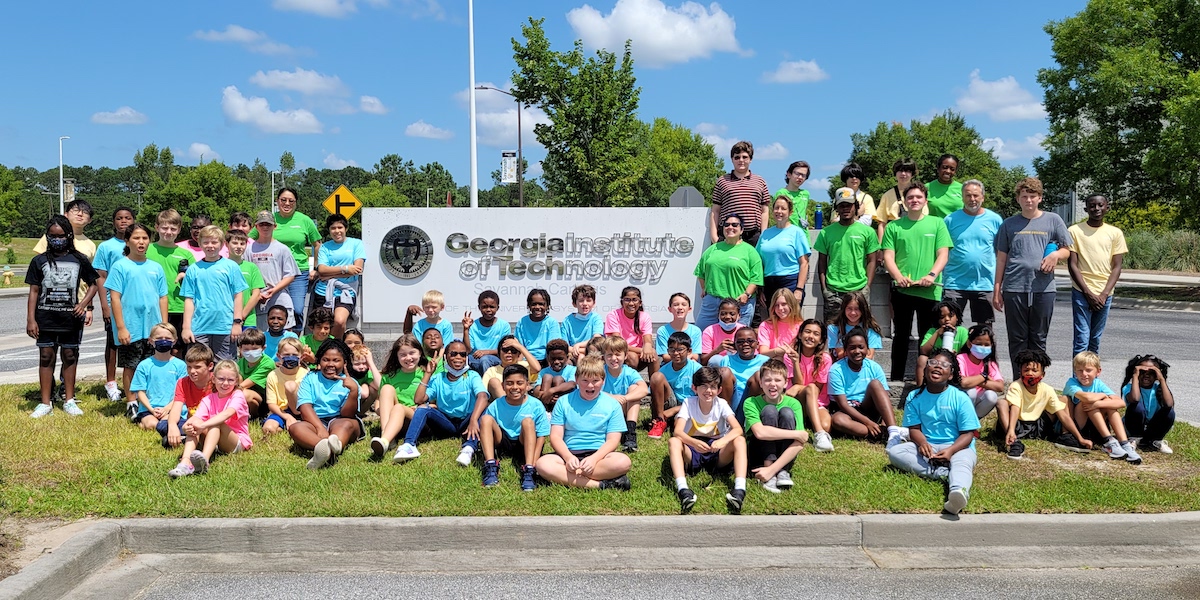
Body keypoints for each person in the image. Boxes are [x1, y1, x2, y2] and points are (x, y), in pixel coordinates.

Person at [994, 177, 1072, 378]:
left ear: (1040, 198)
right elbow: (1001, 259)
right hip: (1014, 287)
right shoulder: (1008, 224)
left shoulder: (1053, 220)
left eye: (1032, 196)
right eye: (1024, 196)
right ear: (1018, 199)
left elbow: (1067, 250)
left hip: (1043, 288)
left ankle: (1036, 380)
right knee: (1017, 338)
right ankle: (1018, 381)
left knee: (1038, 337)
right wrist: (997, 289)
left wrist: (1055, 255)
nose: (1028, 200)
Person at [886, 349, 979, 515]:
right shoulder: (914, 396)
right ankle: (941, 473)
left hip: (958, 446)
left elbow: (968, 434)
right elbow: (914, 429)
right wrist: (922, 444)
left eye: (944, 365)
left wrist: (950, 451)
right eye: (933, 363)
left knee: (962, 463)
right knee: (895, 452)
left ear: (951, 375)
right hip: (929, 446)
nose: (937, 367)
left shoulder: (960, 398)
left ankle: (958, 492)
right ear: (925, 368)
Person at [26, 215, 99, 418]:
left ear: (68, 236)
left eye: (61, 236)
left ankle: (69, 399)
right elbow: (33, 291)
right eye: (52, 236)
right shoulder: (39, 261)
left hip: (70, 318)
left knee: (69, 355)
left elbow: (93, 283)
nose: (56, 240)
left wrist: (83, 304)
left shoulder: (78, 259)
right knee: (46, 356)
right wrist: (31, 319)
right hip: (45, 317)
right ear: (47, 237)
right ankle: (45, 402)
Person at [882, 181, 953, 382]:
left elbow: (943, 255)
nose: (914, 201)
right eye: (910, 197)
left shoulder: (937, 223)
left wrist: (931, 276)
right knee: (900, 337)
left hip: (930, 292)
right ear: (904, 202)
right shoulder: (894, 226)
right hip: (902, 291)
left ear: (925, 200)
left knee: (927, 337)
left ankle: (927, 381)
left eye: (918, 197)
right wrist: (898, 277)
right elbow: (888, 256)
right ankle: (895, 380)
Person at [535, 356, 632, 490]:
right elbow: (556, 437)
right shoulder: (563, 402)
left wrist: (594, 459)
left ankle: (570, 477)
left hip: (600, 455)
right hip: (569, 453)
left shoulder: (612, 405)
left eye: (595, 381)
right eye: (585, 380)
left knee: (623, 462)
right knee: (543, 464)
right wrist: (568, 458)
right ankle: (601, 484)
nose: (590, 385)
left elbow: (613, 441)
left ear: (603, 381)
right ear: (576, 380)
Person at [105, 222, 168, 418]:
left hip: (153, 327)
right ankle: (131, 402)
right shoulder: (120, 266)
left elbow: (162, 297)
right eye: (136, 238)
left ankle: (147, 401)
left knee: (152, 364)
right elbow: (114, 297)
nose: (141, 242)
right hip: (130, 326)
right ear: (127, 241)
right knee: (131, 365)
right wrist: (121, 327)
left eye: (144, 238)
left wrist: (164, 326)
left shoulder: (156, 267)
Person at [669, 365, 748, 513]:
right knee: (674, 442)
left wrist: (722, 441)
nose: (708, 391)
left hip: (717, 450)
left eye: (712, 387)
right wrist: (693, 442)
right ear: (694, 388)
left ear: (719, 390)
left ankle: (739, 489)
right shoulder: (688, 402)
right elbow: (678, 432)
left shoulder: (722, 404)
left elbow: (738, 429)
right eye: (703, 386)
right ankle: (683, 490)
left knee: (739, 441)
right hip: (693, 449)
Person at [399, 340, 489, 466]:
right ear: (446, 357)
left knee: (485, 411)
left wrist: (473, 420)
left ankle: (468, 448)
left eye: (462, 354)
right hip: (446, 423)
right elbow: (419, 400)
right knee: (423, 408)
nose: (459, 358)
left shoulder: (472, 375)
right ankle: (409, 445)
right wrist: (428, 373)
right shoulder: (438, 378)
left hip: (467, 423)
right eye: (454, 354)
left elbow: (483, 396)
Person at [1001, 348, 1093, 459]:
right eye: (1026, 370)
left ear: (1042, 374)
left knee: (1063, 400)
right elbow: (1015, 408)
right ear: (1020, 372)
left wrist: (1079, 438)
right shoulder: (1016, 386)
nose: (1030, 374)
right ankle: (1014, 441)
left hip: (1037, 428)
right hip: (1017, 425)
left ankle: (1066, 438)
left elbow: (1062, 415)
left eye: (1034, 371)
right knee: (1001, 403)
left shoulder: (1047, 389)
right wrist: (1011, 429)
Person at [251, 188, 320, 333]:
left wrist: (314, 267)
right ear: (277, 201)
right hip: (272, 270)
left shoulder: (304, 220)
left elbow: (317, 244)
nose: (287, 203)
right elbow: (249, 239)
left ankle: (293, 341)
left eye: (291, 201)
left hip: (298, 272)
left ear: (296, 203)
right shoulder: (269, 219)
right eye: (283, 200)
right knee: (270, 310)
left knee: (297, 309)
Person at [1067, 194, 1126, 355]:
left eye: (1100, 205)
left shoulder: (1115, 233)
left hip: (1105, 293)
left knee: (1095, 339)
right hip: (1081, 291)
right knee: (1081, 339)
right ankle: (1076, 379)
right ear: (1086, 209)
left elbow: (1117, 266)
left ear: (1107, 207)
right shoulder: (1074, 231)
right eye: (1092, 206)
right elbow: (1072, 264)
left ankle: (1091, 378)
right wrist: (1087, 292)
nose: (1096, 209)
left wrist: (1104, 294)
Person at [172, 359, 253, 476]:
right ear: (214, 379)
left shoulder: (238, 395)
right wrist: (186, 428)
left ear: (236, 381)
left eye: (230, 380)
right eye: (221, 379)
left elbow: (227, 414)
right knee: (194, 424)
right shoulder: (208, 399)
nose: (225, 383)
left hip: (236, 441)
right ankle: (184, 462)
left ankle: (204, 460)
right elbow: (195, 418)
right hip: (215, 439)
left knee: (215, 422)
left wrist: (203, 425)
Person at [179, 225, 248, 361]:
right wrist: (186, 327)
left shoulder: (231, 266)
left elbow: (238, 295)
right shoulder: (193, 269)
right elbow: (189, 300)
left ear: (222, 244)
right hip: (199, 327)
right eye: (206, 242)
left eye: (214, 242)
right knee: (200, 366)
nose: (210, 246)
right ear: (200, 244)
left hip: (225, 327)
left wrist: (237, 323)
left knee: (225, 367)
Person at [291, 339, 362, 469]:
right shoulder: (310, 378)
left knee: (345, 424)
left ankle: (334, 444)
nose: (330, 364)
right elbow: (305, 406)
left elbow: (348, 414)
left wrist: (353, 391)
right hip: (315, 420)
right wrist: (319, 428)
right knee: (295, 428)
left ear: (345, 363)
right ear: (319, 361)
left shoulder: (352, 383)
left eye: (336, 360)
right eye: (325, 360)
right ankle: (323, 448)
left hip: (340, 419)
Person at [741, 359, 807, 494]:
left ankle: (782, 470)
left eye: (777, 380)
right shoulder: (751, 402)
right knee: (769, 411)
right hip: (758, 451)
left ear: (785, 383)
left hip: (784, 453)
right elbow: (760, 433)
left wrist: (774, 469)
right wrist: (796, 434)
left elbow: (799, 443)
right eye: (767, 380)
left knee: (787, 412)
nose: (772, 384)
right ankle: (767, 467)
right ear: (760, 382)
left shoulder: (794, 403)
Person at [942, 180, 1003, 325]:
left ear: (983, 197)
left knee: (984, 329)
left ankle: (982, 349)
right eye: (968, 195)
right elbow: (942, 250)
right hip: (954, 283)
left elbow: (1001, 254)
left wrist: (999, 285)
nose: (972, 199)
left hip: (985, 283)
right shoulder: (950, 220)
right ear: (962, 197)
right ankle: (948, 349)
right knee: (949, 325)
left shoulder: (995, 220)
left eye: (976, 195)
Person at [480, 365, 550, 491]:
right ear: (503, 386)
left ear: (528, 385)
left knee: (528, 422)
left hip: (525, 442)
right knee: (485, 419)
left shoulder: (536, 405)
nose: (515, 387)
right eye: (510, 383)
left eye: (520, 383)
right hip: (502, 440)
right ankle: (490, 466)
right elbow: (487, 429)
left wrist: (534, 462)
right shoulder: (496, 404)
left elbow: (541, 437)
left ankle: (528, 470)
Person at [1063, 351, 1142, 463]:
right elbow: (1087, 398)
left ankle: (1124, 444)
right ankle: (1109, 441)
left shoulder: (1098, 384)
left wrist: (1099, 403)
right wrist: (1102, 396)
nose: (1084, 374)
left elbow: (1121, 403)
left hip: (1097, 428)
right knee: (1087, 402)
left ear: (1098, 371)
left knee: (1109, 405)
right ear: (1075, 371)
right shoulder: (1072, 382)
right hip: (1079, 428)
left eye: (1088, 370)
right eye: (1080, 370)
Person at [92, 206, 136, 402]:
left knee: (137, 342)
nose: (123, 221)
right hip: (114, 301)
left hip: (136, 303)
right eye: (119, 218)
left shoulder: (140, 243)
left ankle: (136, 381)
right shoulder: (106, 247)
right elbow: (101, 277)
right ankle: (111, 383)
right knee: (113, 343)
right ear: (113, 222)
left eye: (127, 218)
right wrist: (105, 304)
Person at [814, 189, 878, 321]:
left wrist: (867, 287)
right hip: (834, 292)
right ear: (836, 208)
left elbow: (872, 260)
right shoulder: (826, 232)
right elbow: (821, 263)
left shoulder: (868, 232)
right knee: (832, 334)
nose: (845, 209)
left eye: (849, 205)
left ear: (856, 206)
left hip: (859, 290)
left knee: (859, 334)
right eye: (842, 206)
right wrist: (825, 290)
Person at [827, 328, 900, 442]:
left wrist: (885, 422)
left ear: (867, 349)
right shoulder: (836, 370)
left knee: (875, 384)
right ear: (845, 350)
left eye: (861, 347)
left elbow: (884, 399)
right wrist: (868, 423)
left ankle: (893, 431)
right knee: (837, 420)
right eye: (852, 348)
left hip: (868, 407)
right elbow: (843, 405)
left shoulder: (874, 367)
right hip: (848, 411)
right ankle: (880, 434)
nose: (857, 351)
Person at [695, 213, 764, 330]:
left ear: (741, 230)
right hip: (712, 302)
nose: (730, 227)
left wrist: (746, 294)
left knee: (737, 340)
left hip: (739, 303)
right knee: (702, 334)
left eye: (735, 225)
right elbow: (700, 272)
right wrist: (704, 288)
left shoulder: (750, 251)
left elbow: (756, 279)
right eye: (726, 225)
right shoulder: (712, 249)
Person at [755, 194, 811, 325]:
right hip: (769, 283)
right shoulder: (765, 234)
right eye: (776, 208)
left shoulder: (797, 232)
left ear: (790, 212)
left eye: (783, 208)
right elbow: (759, 263)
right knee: (772, 322)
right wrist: (760, 289)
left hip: (790, 281)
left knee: (790, 322)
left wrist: (799, 289)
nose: (779, 211)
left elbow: (804, 263)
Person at [146, 209, 196, 356]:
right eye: (164, 228)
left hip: (179, 307)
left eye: (173, 229)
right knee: (156, 347)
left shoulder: (186, 254)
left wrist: (186, 276)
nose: (168, 232)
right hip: (154, 307)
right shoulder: (148, 250)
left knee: (178, 349)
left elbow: (196, 281)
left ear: (179, 230)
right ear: (156, 227)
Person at [129, 323, 188, 436]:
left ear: (174, 341)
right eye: (159, 338)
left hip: (173, 407)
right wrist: (151, 409)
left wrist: (167, 409)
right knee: (152, 424)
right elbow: (140, 392)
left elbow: (183, 392)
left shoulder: (180, 365)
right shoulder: (144, 365)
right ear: (151, 341)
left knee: (166, 421)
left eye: (167, 338)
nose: (163, 341)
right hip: (149, 409)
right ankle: (143, 422)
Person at [709, 141, 771, 246]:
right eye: (737, 157)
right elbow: (715, 211)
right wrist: (714, 236)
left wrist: (763, 235)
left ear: (750, 159)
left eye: (744, 157)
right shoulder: (722, 181)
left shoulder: (760, 181)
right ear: (732, 159)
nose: (741, 160)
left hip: (753, 236)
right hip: (728, 235)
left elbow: (764, 211)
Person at [313, 214, 365, 339]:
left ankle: (336, 349)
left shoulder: (356, 244)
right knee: (322, 325)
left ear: (345, 228)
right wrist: (346, 268)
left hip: (346, 292)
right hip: (323, 291)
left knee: (339, 321)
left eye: (340, 227)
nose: (337, 231)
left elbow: (357, 269)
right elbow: (321, 269)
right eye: (333, 228)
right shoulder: (325, 247)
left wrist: (330, 275)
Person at [374, 334, 425, 461]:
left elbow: (435, 401)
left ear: (420, 353)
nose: (408, 358)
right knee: (387, 389)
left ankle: (386, 438)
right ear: (396, 357)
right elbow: (378, 404)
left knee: (399, 408)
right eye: (403, 355)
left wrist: (421, 406)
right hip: (394, 418)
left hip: (416, 416)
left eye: (412, 353)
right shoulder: (389, 376)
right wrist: (384, 409)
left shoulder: (425, 372)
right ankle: (387, 438)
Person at [247, 210, 299, 331]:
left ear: (274, 226)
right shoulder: (249, 249)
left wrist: (273, 290)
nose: (265, 227)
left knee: (285, 337)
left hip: (279, 296)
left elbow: (290, 275)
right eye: (262, 224)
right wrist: (256, 294)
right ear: (256, 226)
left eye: (268, 224)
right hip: (257, 299)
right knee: (260, 337)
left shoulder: (283, 249)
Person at [789, 318, 834, 452]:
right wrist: (796, 362)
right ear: (800, 334)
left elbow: (817, 389)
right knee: (810, 387)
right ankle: (819, 435)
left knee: (826, 425)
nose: (810, 336)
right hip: (798, 401)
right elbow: (796, 384)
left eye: (816, 334)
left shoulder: (825, 358)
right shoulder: (790, 355)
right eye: (807, 332)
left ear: (821, 339)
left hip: (817, 402)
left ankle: (814, 425)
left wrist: (797, 387)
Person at [600, 336, 649, 453]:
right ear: (604, 357)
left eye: (618, 354)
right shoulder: (600, 371)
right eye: (609, 355)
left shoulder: (629, 372)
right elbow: (591, 391)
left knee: (634, 388)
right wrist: (613, 397)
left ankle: (630, 433)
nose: (613, 358)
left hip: (623, 407)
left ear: (625, 356)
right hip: (604, 409)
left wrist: (624, 398)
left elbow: (644, 389)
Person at [163, 344, 215, 454]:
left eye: (197, 367)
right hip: (192, 424)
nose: (192, 371)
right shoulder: (183, 382)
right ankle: (182, 437)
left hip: (211, 424)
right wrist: (172, 426)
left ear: (210, 366)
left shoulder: (217, 382)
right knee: (163, 425)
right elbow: (176, 408)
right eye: (189, 367)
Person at [648, 332, 700, 440]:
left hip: (690, 405)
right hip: (671, 402)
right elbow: (654, 393)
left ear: (689, 351)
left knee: (679, 427)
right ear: (668, 351)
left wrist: (676, 409)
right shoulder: (664, 369)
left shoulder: (697, 369)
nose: (676, 353)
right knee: (657, 377)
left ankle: (673, 421)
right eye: (672, 349)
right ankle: (660, 420)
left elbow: (701, 398)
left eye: (680, 350)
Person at [1122, 354, 1176, 455]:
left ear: (1157, 375)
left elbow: (1169, 404)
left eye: (1152, 372)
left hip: (1152, 428)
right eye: (1142, 372)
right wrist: (1135, 375)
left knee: (1170, 412)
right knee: (1136, 406)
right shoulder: (1129, 388)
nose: (1146, 375)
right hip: (1133, 428)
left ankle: (1155, 440)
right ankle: (1134, 439)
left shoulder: (1158, 389)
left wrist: (1162, 380)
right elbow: (1135, 399)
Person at [955, 324, 1005, 420]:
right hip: (961, 398)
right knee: (971, 391)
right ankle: (962, 420)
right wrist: (984, 376)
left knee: (991, 396)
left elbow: (1000, 386)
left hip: (977, 399)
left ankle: (973, 421)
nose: (983, 347)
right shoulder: (961, 359)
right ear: (969, 344)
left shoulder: (989, 363)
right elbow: (963, 383)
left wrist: (975, 380)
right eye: (978, 344)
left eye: (986, 345)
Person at [914, 301, 968, 387]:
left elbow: (967, 351)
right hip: (936, 364)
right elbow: (924, 351)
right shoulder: (932, 331)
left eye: (950, 316)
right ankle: (920, 388)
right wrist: (937, 333)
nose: (947, 319)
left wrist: (956, 355)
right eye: (942, 317)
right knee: (922, 359)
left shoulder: (962, 331)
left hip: (955, 362)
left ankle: (959, 384)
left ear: (957, 317)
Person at [605, 286, 657, 373]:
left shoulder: (644, 316)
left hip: (640, 355)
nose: (631, 303)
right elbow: (618, 343)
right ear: (622, 302)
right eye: (627, 300)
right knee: (632, 357)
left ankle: (654, 384)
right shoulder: (613, 315)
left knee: (653, 353)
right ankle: (630, 383)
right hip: (620, 352)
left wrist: (648, 347)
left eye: (634, 300)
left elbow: (647, 338)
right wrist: (642, 350)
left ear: (640, 303)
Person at [872, 158, 924, 245]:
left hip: (916, 237)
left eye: (907, 171)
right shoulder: (887, 196)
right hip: (893, 239)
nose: (903, 174)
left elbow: (924, 218)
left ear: (912, 174)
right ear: (895, 173)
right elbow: (882, 224)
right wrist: (880, 247)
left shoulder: (920, 193)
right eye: (900, 171)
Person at [262, 337, 307, 436]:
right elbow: (271, 404)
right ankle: (288, 425)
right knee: (268, 429)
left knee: (290, 386)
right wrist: (287, 417)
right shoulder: (273, 375)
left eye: (295, 355)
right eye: (286, 355)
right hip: (281, 411)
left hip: (301, 410)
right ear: (279, 356)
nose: (291, 358)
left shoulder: (306, 375)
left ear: (302, 357)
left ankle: (295, 424)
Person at [724, 327, 769, 420]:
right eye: (740, 341)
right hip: (732, 398)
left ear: (757, 344)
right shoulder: (727, 360)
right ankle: (726, 420)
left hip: (753, 397)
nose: (745, 344)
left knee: (759, 375)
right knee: (724, 373)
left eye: (750, 341)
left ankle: (749, 420)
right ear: (735, 345)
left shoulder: (765, 361)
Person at [757, 289, 802, 378]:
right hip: (772, 368)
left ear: (791, 304)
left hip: (796, 368)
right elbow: (763, 353)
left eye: (784, 304)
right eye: (776, 305)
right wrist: (776, 351)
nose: (780, 308)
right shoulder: (765, 325)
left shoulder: (801, 325)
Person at [826, 291, 883, 361]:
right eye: (849, 308)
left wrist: (848, 352)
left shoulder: (871, 329)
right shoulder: (834, 328)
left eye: (857, 309)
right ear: (844, 309)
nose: (853, 313)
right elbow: (840, 355)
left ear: (863, 310)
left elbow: (869, 356)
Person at [464, 290, 510, 374]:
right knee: (462, 359)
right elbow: (468, 349)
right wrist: (466, 329)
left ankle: (486, 385)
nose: (488, 310)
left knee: (485, 360)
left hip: (496, 359)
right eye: (484, 307)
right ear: (479, 307)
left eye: (492, 307)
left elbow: (505, 349)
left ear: (497, 308)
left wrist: (486, 352)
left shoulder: (504, 325)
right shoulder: (473, 325)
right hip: (475, 359)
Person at [225, 230, 263, 331]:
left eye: (242, 243)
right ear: (226, 244)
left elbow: (256, 294)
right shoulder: (221, 266)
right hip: (225, 318)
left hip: (248, 319)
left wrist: (241, 316)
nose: (239, 246)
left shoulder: (251, 267)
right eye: (235, 243)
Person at [483, 335, 541, 400]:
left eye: (513, 350)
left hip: (521, 403)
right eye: (505, 350)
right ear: (499, 352)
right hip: (501, 406)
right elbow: (484, 393)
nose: (509, 352)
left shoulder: (523, 366)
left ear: (519, 354)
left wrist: (520, 347)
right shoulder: (491, 371)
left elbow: (537, 368)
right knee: (494, 381)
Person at [235, 328, 275, 418]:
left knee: (244, 394)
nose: (250, 352)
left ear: (263, 348)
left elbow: (243, 385)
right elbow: (238, 380)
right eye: (246, 349)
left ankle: (254, 416)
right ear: (240, 349)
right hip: (244, 391)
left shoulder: (268, 363)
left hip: (264, 398)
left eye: (254, 349)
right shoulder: (241, 362)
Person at [514, 288, 561, 363]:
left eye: (541, 304)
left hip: (546, 360)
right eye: (534, 304)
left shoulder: (552, 323)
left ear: (547, 306)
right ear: (529, 305)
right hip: (527, 360)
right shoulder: (522, 322)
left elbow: (553, 347)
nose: (537, 307)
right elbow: (519, 347)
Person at [561, 284, 604, 363]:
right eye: (581, 300)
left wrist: (579, 345)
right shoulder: (567, 321)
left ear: (594, 303)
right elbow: (564, 345)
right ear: (574, 303)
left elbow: (596, 340)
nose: (585, 303)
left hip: (592, 352)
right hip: (573, 353)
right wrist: (575, 350)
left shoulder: (596, 318)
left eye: (588, 300)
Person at [655, 292, 702, 364]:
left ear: (689, 309)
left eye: (684, 305)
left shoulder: (696, 331)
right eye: (676, 305)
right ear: (670, 309)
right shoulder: (662, 330)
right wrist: (683, 358)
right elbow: (665, 356)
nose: (680, 308)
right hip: (670, 366)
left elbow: (695, 355)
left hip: (690, 364)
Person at [532, 338, 576, 410]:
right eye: (553, 359)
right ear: (548, 358)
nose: (556, 362)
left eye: (560, 359)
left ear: (567, 358)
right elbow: (536, 389)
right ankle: (545, 409)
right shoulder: (544, 371)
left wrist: (551, 391)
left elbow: (572, 384)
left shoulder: (572, 370)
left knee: (558, 379)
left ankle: (556, 409)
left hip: (563, 402)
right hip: (546, 400)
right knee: (547, 377)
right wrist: (543, 394)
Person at [700, 298, 743, 367]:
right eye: (723, 314)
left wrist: (738, 349)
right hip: (718, 368)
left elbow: (752, 356)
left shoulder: (744, 331)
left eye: (732, 314)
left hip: (738, 364)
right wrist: (718, 350)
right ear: (718, 315)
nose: (727, 317)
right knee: (716, 360)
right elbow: (703, 361)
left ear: (739, 316)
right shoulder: (709, 331)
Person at [775, 160, 813, 229]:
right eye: (798, 174)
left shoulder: (805, 194)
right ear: (789, 174)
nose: (800, 177)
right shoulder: (781, 193)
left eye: (804, 175)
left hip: (803, 233)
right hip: (787, 232)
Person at [926, 154, 964, 218]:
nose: (948, 171)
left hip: (957, 227)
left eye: (952, 169)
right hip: (935, 227)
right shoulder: (926, 188)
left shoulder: (963, 189)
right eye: (945, 167)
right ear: (938, 168)